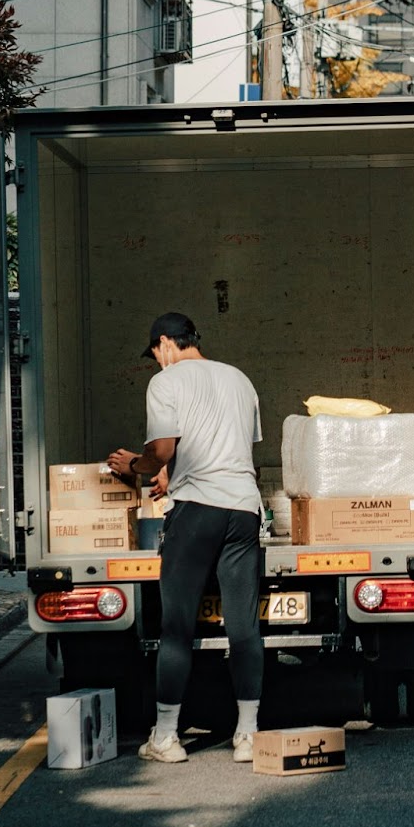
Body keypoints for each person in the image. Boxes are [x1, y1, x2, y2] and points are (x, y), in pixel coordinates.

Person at [108, 312, 264, 765]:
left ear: (164, 344)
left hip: (196, 512)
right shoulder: (239, 379)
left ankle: (166, 738)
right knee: (244, 628)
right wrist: (172, 478)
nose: (157, 361)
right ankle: (248, 735)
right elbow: (231, 449)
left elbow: (163, 450)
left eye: (155, 354)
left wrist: (134, 466)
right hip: (242, 509)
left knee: (176, 628)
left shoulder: (167, 382)